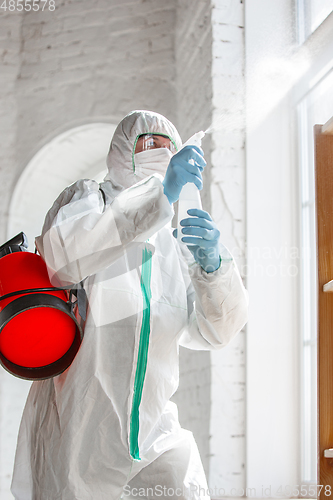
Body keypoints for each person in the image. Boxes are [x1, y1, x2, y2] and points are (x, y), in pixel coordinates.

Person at [11, 110, 248, 500]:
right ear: (122, 151)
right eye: (149, 144)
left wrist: (214, 266)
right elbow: (63, 260)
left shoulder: (175, 243)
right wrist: (160, 196)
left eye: (169, 146)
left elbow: (215, 330)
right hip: (80, 430)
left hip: (154, 430)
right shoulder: (88, 201)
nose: (163, 153)